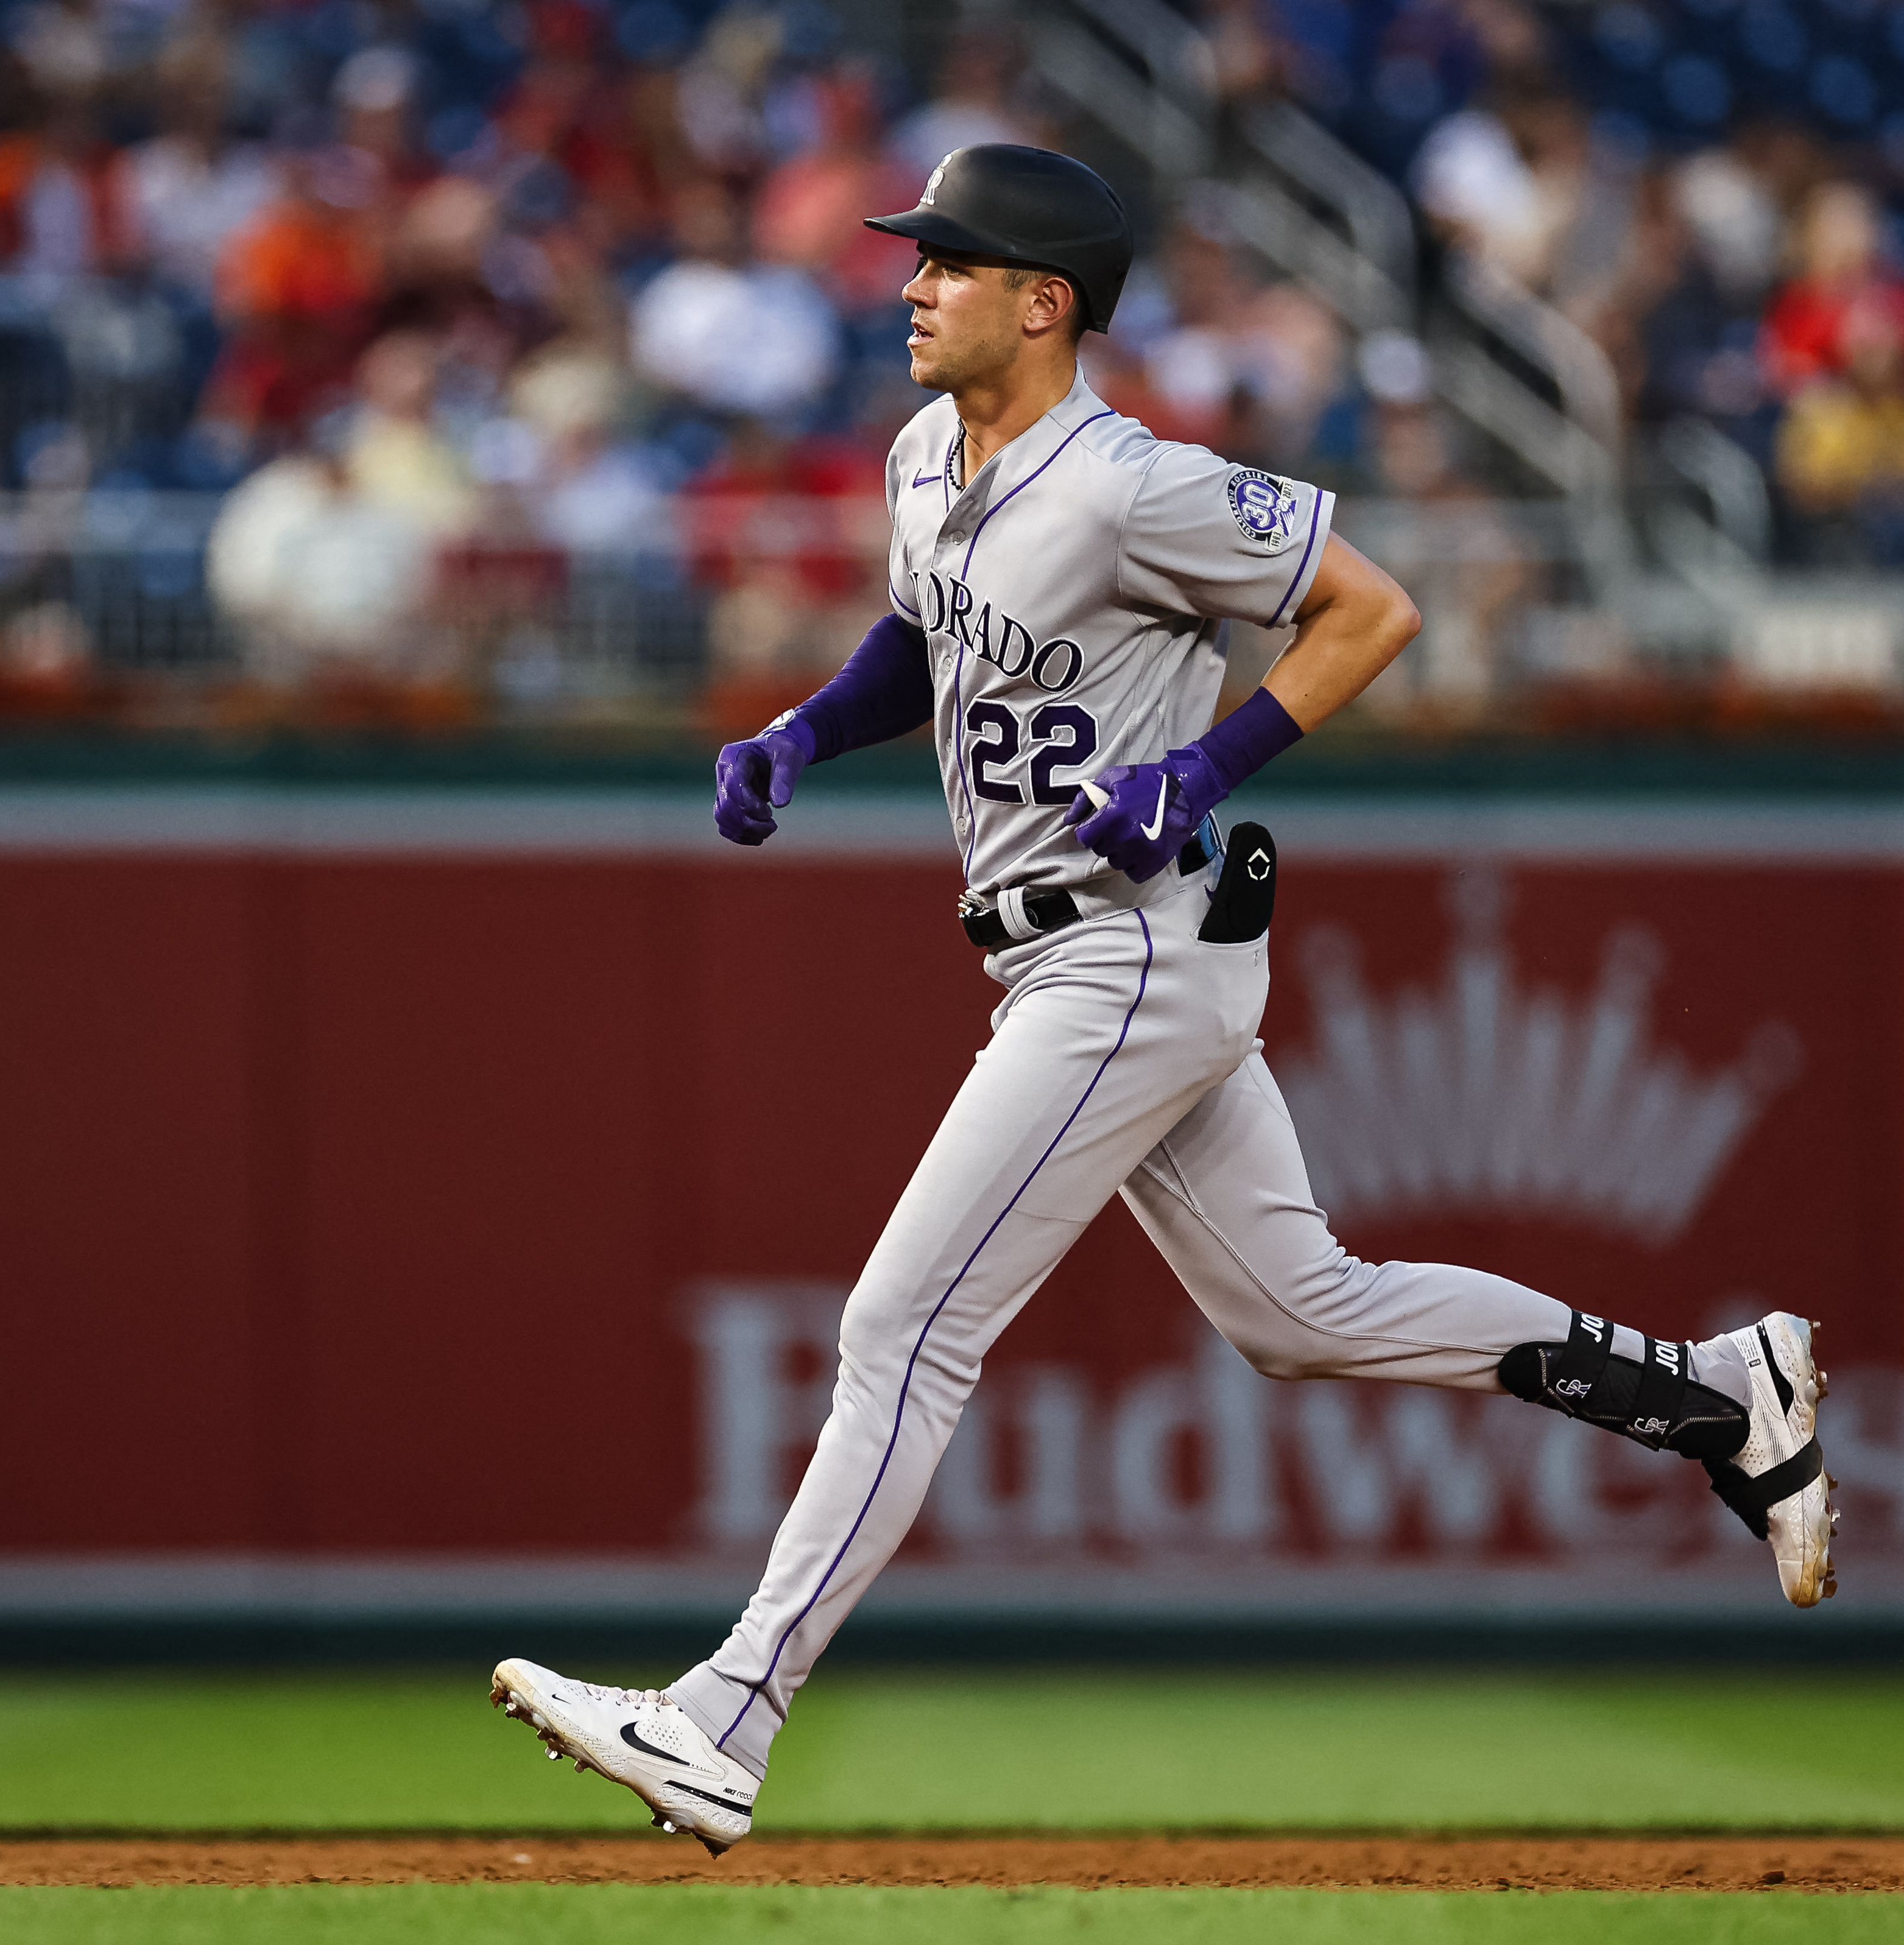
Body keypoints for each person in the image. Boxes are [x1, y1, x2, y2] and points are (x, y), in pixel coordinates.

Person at [489, 145, 1835, 1855]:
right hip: (1061, 947)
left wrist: (1204, 765)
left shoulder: (1135, 484)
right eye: (917, 258)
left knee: (905, 1327)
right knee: (1300, 1307)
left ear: (1044, 303)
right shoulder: (926, 452)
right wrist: (804, 733)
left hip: (1130, 942)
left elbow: (1371, 608)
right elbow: (925, 635)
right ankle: (1723, 1394)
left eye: (950, 263)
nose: (911, 284)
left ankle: (727, 1716)